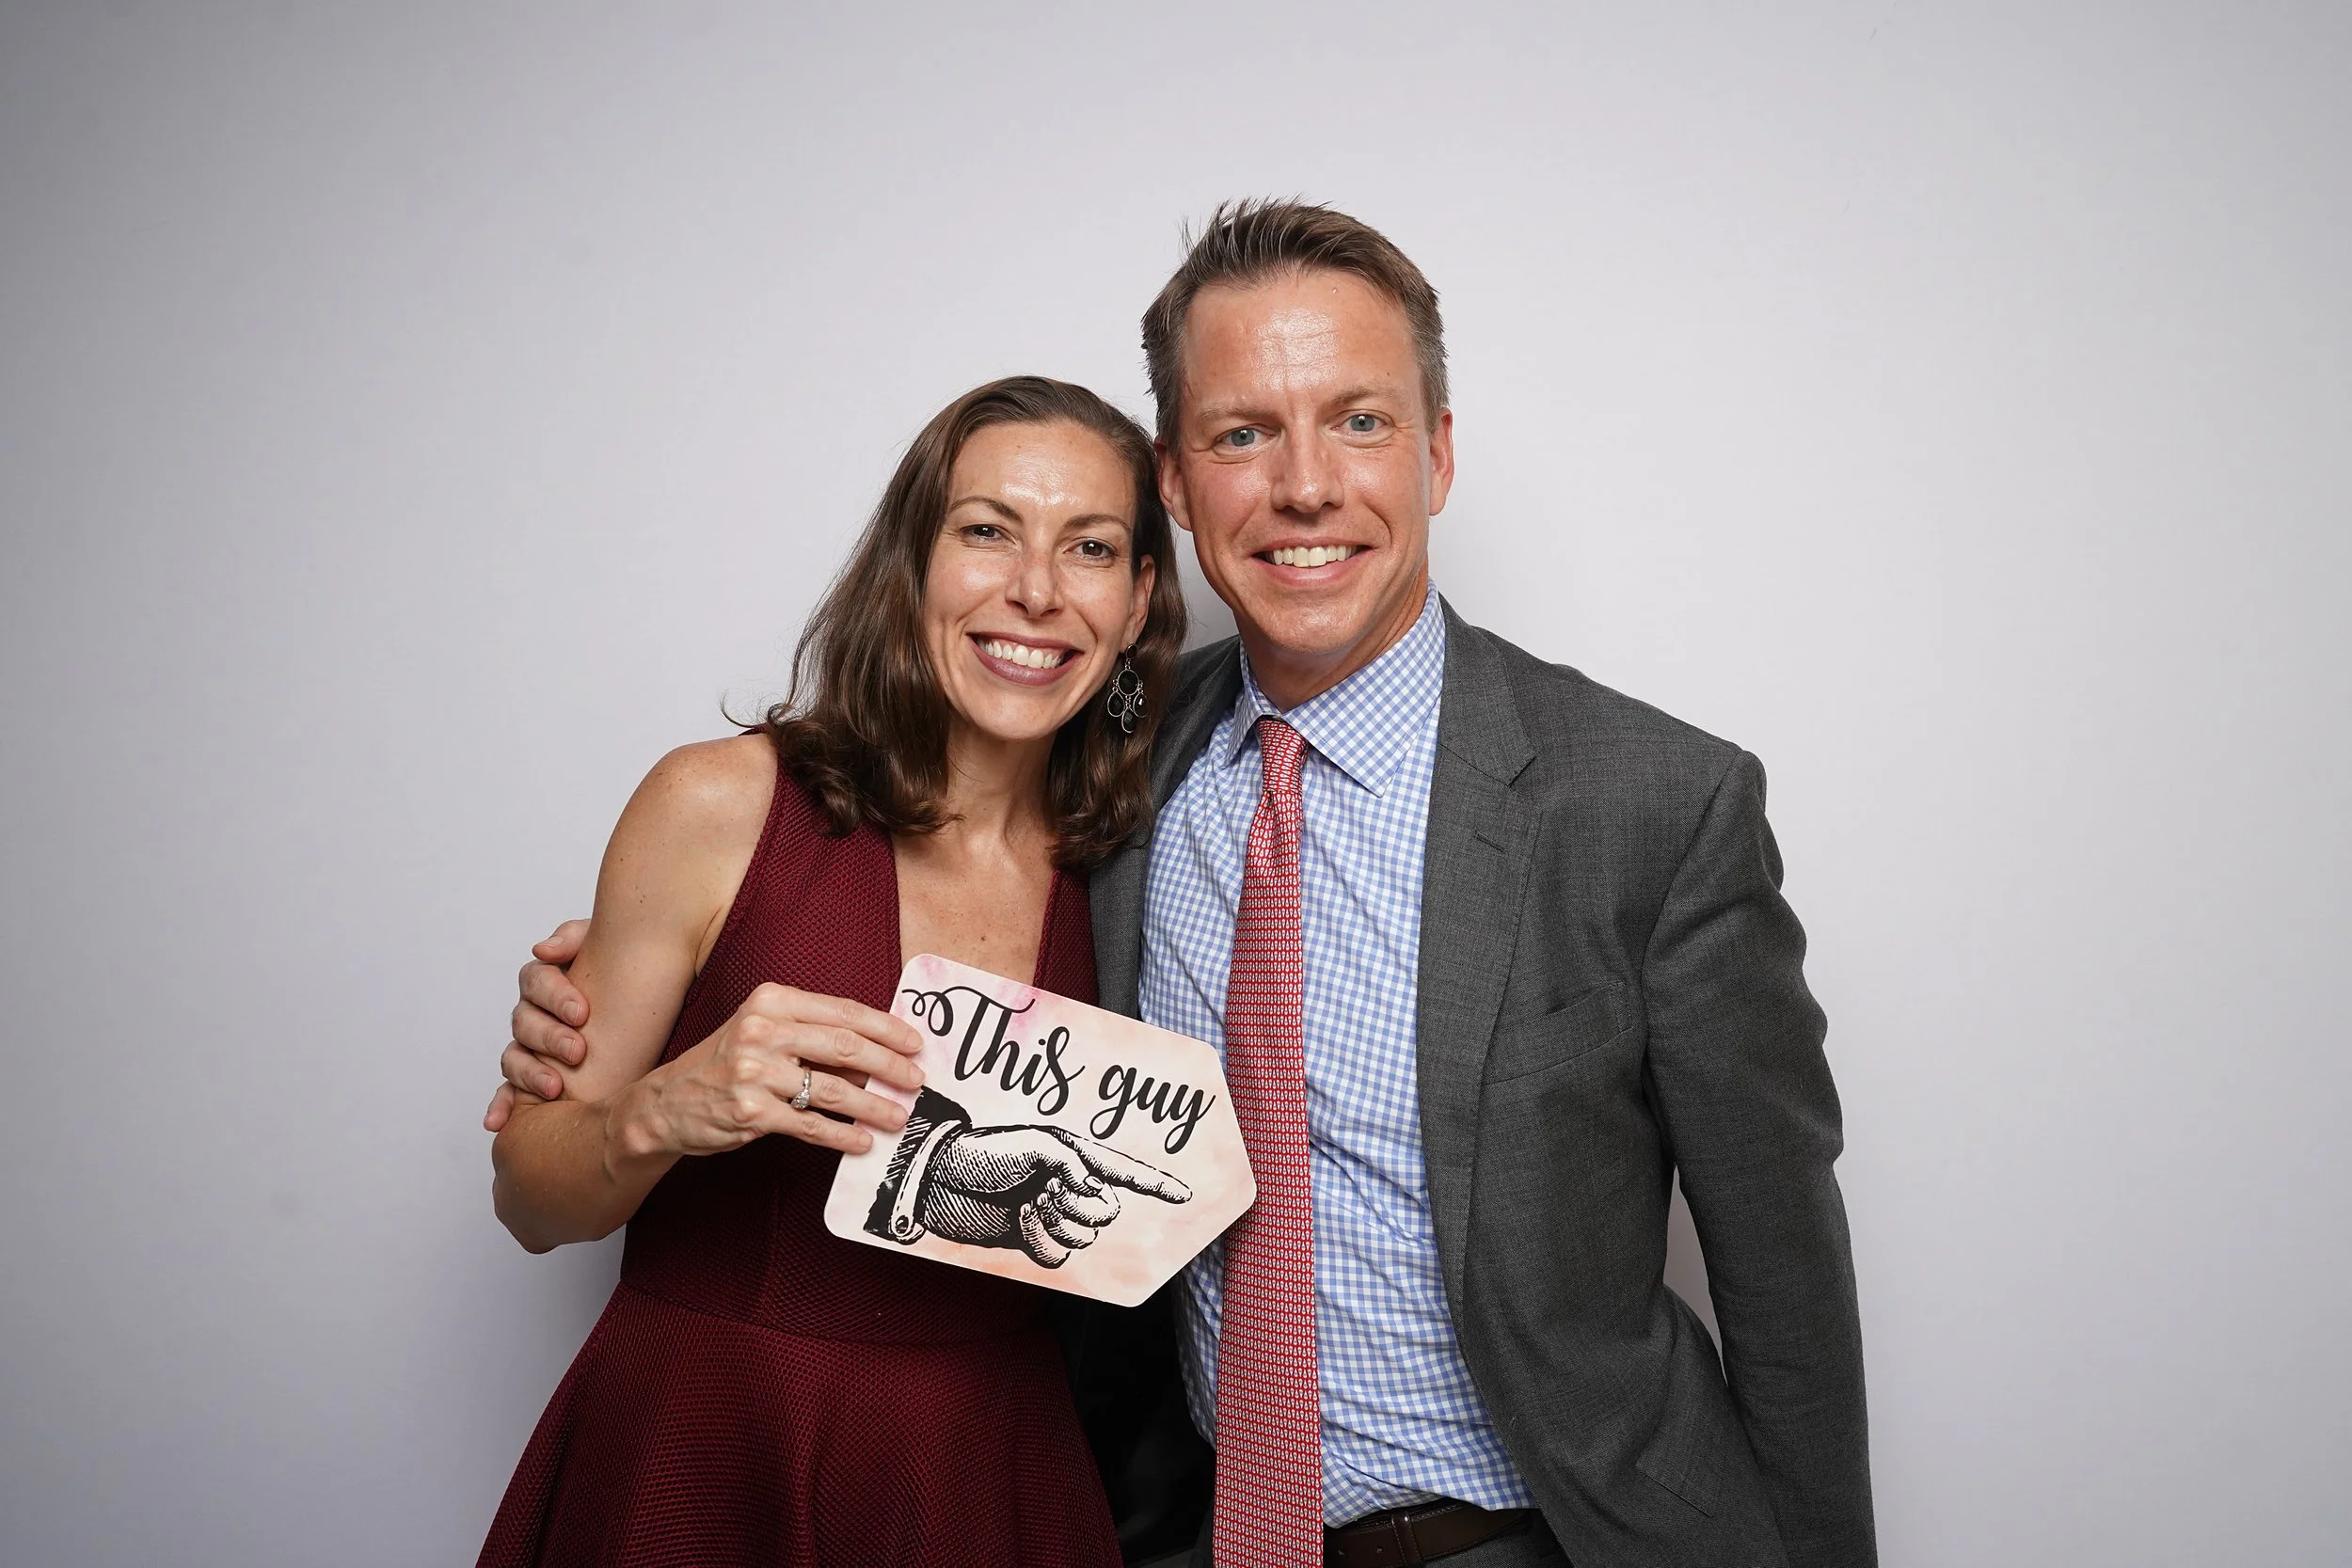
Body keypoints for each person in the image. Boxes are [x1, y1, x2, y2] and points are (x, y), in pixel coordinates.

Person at [494, 202, 1875, 1568]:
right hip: (1178, 1524)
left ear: (1440, 452)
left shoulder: (1649, 800)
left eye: (1361, 420)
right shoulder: (1126, 774)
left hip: (1538, 1532)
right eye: (1242, 433)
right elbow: (843, 884)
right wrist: (640, 1026)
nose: (1306, 485)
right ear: (1178, 481)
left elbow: (1783, 1272)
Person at [475, 374, 1188, 1568]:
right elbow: (531, 1202)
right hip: (704, 1442)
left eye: (1091, 548)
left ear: (1136, 602)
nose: (1036, 590)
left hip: (988, 1472)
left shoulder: (1142, 871)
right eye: (985, 530)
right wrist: (665, 1104)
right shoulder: (720, 802)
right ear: (911, 561)